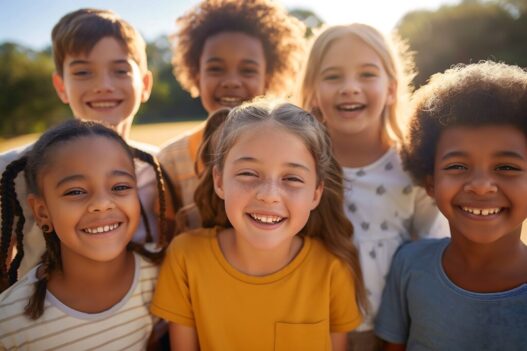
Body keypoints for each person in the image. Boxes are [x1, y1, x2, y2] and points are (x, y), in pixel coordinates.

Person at [151, 100, 366, 350]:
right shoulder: (186, 257)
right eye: (248, 173)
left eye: (292, 178)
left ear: (316, 194)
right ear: (219, 181)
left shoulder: (331, 267)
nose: (268, 194)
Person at [297, 23, 447, 350]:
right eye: (333, 76)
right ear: (312, 91)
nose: (350, 87)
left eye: (367, 74)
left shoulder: (414, 166)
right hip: (315, 323)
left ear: (392, 88)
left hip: (397, 326)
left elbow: (433, 243)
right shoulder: (299, 166)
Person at [374, 61, 527, 350]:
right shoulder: (409, 265)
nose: (481, 185)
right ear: (431, 183)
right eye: (457, 166)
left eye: (506, 167)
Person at [0, 8, 161, 276]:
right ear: (61, 86)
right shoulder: (12, 170)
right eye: (83, 73)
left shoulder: (158, 166)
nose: (103, 85)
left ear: (145, 84)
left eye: (120, 71)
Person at [0, 120, 168, 350]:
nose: (101, 204)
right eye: (75, 191)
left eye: (120, 187)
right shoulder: (8, 321)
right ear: (42, 212)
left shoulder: (164, 276)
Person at [157, 0, 306, 231]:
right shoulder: (170, 161)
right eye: (216, 69)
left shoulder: (295, 152)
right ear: (197, 76)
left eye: (247, 70)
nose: (231, 82)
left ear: (268, 78)